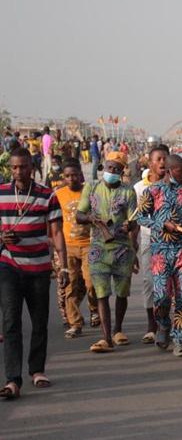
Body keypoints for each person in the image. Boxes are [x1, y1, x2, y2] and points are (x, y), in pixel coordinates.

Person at [0, 148, 67, 398]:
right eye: (15, 167)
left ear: (33, 167)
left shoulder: (47, 195)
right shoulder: (1, 193)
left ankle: (37, 370)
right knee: (10, 323)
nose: (19, 171)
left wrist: (64, 266)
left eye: (24, 167)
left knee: (39, 322)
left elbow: (56, 233)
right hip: (9, 265)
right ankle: (12, 380)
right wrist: (2, 237)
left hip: (38, 267)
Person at [75, 152, 139, 353]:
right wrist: (91, 219)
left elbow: (133, 220)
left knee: (122, 292)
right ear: (103, 167)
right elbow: (79, 214)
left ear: (122, 171)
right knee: (101, 293)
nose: (112, 171)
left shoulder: (128, 191)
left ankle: (118, 330)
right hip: (98, 249)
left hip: (122, 249)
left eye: (117, 169)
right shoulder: (92, 187)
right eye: (110, 167)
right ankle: (106, 338)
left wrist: (129, 225)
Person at [135, 154, 182, 357]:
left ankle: (180, 340)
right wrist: (162, 225)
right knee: (161, 296)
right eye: (180, 171)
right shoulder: (152, 191)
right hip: (160, 250)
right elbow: (140, 217)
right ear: (169, 171)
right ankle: (163, 324)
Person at [56, 159, 99, 338]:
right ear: (63, 177)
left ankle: (94, 310)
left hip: (88, 243)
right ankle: (75, 323)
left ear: (80, 174)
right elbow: (55, 221)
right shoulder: (58, 194)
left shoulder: (89, 191)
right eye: (67, 176)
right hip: (68, 246)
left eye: (74, 175)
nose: (71, 179)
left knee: (91, 282)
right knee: (70, 285)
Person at [133, 144, 168, 344]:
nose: (162, 163)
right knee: (149, 281)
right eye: (158, 159)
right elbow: (135, 219)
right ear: (150, 163)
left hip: (172, 241)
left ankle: (166, 324)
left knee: (169, 284)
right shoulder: (140, 188)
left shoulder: (176, 185)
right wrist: (133, 247)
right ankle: (151, 325)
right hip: (149, 239)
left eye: (165, 159)